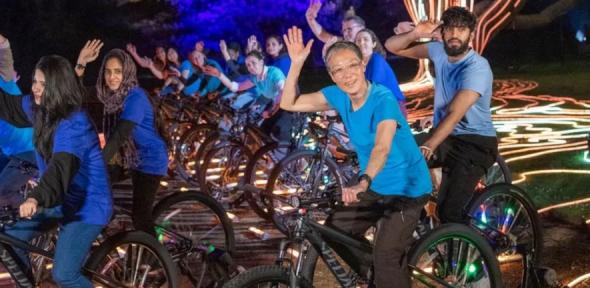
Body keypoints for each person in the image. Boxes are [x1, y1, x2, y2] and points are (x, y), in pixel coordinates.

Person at [280, 26, 432, 288]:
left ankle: (386, 273)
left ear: (363, 65)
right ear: (332, 75)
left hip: (407, 188)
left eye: (351, 65)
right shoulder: (338, 96)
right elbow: (289, 103)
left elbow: (381, 148)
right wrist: (296, 64)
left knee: (385, 255)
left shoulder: (382, 99)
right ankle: (380, 277)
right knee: (335, 231)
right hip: (376, 185)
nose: (346, 74)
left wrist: (363, 181)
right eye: (338, 70)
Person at [0, 54, 112, 287]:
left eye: (44, 84)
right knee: (10, 242)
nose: (36, 89)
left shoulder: (74, 122)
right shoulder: (39, 107)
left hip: (87, 206)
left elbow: (59, 171)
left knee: (64, 274)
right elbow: (8, 107)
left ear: (58, 86)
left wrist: (34, 197)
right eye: (35, 82)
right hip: (56, 201)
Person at [384, 7, 498, 224]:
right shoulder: (438, 51)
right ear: (443, 32)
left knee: (449, 214)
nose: (455, 35)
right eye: (450, 29)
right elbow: (392, 46)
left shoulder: (478, 68)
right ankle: (416, 215)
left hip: (475, 144)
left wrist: (429, 144)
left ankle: (476, 249)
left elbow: (455, 113)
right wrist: (415, 34)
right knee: (395, 153)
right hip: (447, 137)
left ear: (471, 35)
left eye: (462, 30)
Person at [80, 46, 168, 236]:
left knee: (140, 217)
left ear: (126, 72)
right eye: (108, 72)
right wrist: (81, 64)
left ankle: (156, 260)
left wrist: (97, 162)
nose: (112, 77)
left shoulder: (135, 98)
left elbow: (119, 135)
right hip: (129, 158)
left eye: (118, 72)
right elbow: (76, 95)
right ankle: (110, 224)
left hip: (150, 160)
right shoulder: (110, 95)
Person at [203, 50, 293, 142]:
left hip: (288, 105)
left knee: (273, 136)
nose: (251, 67)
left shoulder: (274, 73)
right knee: (259, 133)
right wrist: (219, 75)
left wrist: (270, 111)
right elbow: (236, 87)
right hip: (276, 104)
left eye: (254, 63)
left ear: (261, 62)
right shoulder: (256, 78)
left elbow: (283, 93)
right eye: (248, 65)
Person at [0, 34, 36, 207]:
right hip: (8, 153)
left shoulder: (4, 78)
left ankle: (38, 220)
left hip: (27, 150)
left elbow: (4, 45)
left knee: (2, 193)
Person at [354, 28, 407, 117]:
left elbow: (374, 86)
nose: (361, 43)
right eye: (358, 40)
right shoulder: (360, 65)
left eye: (365, 39)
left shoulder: (376, 60)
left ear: (373, 44)